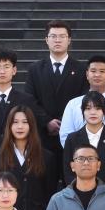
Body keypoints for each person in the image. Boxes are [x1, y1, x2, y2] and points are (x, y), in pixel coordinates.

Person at [24, 20, 90, 154]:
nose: (57, 40)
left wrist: (64, 122)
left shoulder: (81, 69)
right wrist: (47, 121)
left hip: (72, 133)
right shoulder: (35, 69)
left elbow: (83, 99)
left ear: (69, 40)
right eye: (53, 36)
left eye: (62, 36)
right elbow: (29, 99)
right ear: (46, 40)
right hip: (42, 134)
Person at [62, 91, 105, 191]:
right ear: (82, 111)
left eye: (97, 108)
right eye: (88, 108)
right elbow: (68, 170)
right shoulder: (72, 139)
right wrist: (80, 190)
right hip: (78, 193)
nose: (93, 112)